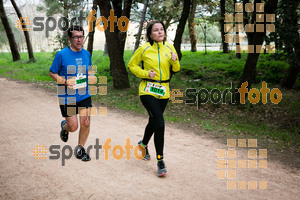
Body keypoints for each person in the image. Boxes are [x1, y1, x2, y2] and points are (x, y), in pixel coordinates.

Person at [128, 20, 180, 177]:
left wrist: (175, 60)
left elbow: (176, 69)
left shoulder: (170, 47)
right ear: (150, 34)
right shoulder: (144, 48)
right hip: (147, 90)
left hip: (164, 91)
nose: (160, 32)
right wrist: (146, 74)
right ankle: (160, 161)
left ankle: (142, 145)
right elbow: (132, 65)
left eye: (162, 29)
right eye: (156, 30)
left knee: (154, 121)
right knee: (160, 123)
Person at [49, 25, 93, 162]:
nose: (79, 40)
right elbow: (52, 72)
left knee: (85, 122)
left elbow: (89, 70)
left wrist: (91, 75)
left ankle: (80, 149)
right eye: (76, 37)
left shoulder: (86, 54)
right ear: (70, 38)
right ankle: (64, 126)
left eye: (81, 37)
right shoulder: (61, 55)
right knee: (73, 127)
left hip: (83, 93)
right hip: (66, 96)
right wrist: (65, 81)